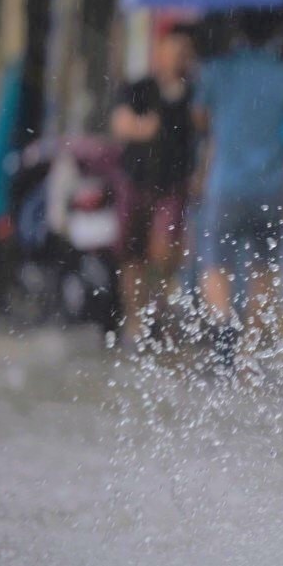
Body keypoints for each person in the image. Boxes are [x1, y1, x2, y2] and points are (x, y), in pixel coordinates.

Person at [191, 11, 283, 369]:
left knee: (216, 263)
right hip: (271, 188)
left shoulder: (219, 71)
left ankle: (222, 329)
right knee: (265, 266)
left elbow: (199, 117)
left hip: (225, 185)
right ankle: (254, 346)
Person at [109, 24, 198, 346]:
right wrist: (143, 127)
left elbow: (202, 137)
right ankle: (134, 320)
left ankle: (156, 315)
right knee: (132, 256)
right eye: (174, 51)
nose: (179, 59)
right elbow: (120, 123)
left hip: (172, 186)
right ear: (159, 53)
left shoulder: (193, 96)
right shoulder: (140, 88)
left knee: (164, 252)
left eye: (185, 53)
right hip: (135, 182)